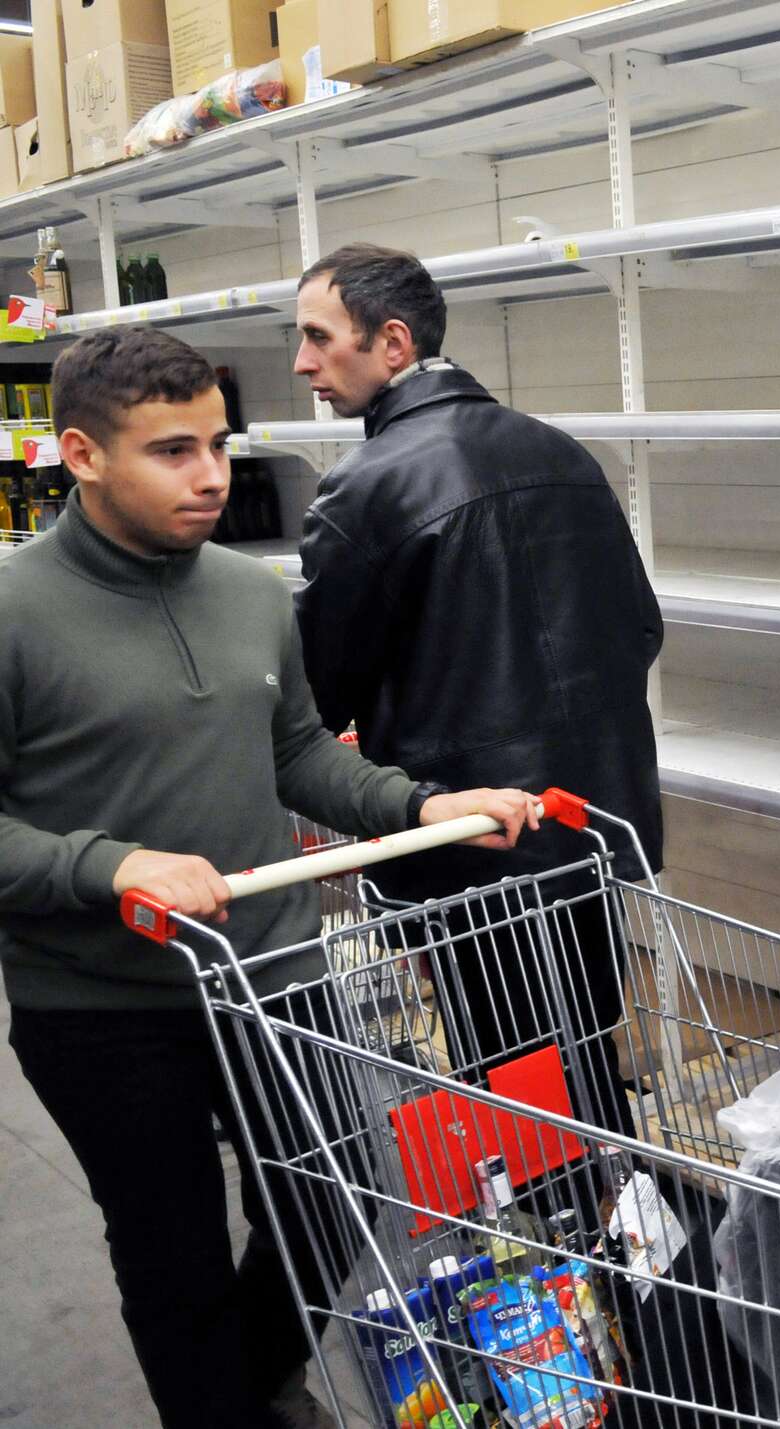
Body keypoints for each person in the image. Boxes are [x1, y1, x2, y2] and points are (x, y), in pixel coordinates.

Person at [0, 326, 539, 1429]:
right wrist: (112, 864)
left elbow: (295, 750)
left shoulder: (251, 592)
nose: (210, 475)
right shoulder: (13, 615)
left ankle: (241, 1391)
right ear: (82, 456)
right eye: (172, 451)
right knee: (173, 1253)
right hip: (103, 1003)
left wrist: (420, 805)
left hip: (276, 970)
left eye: (217, 444)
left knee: (338, 1201)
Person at [291, 243, 663, 1138]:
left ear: (392, 342)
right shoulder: (562, 452)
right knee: (583, 1035)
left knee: (508, 1062)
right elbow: (640, 627)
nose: (302, 362)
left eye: (317, 336)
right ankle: (615, 1198)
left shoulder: (365, 488)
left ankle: (567, 1208)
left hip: (468, 840)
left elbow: (319, 689)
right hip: (584, 823)